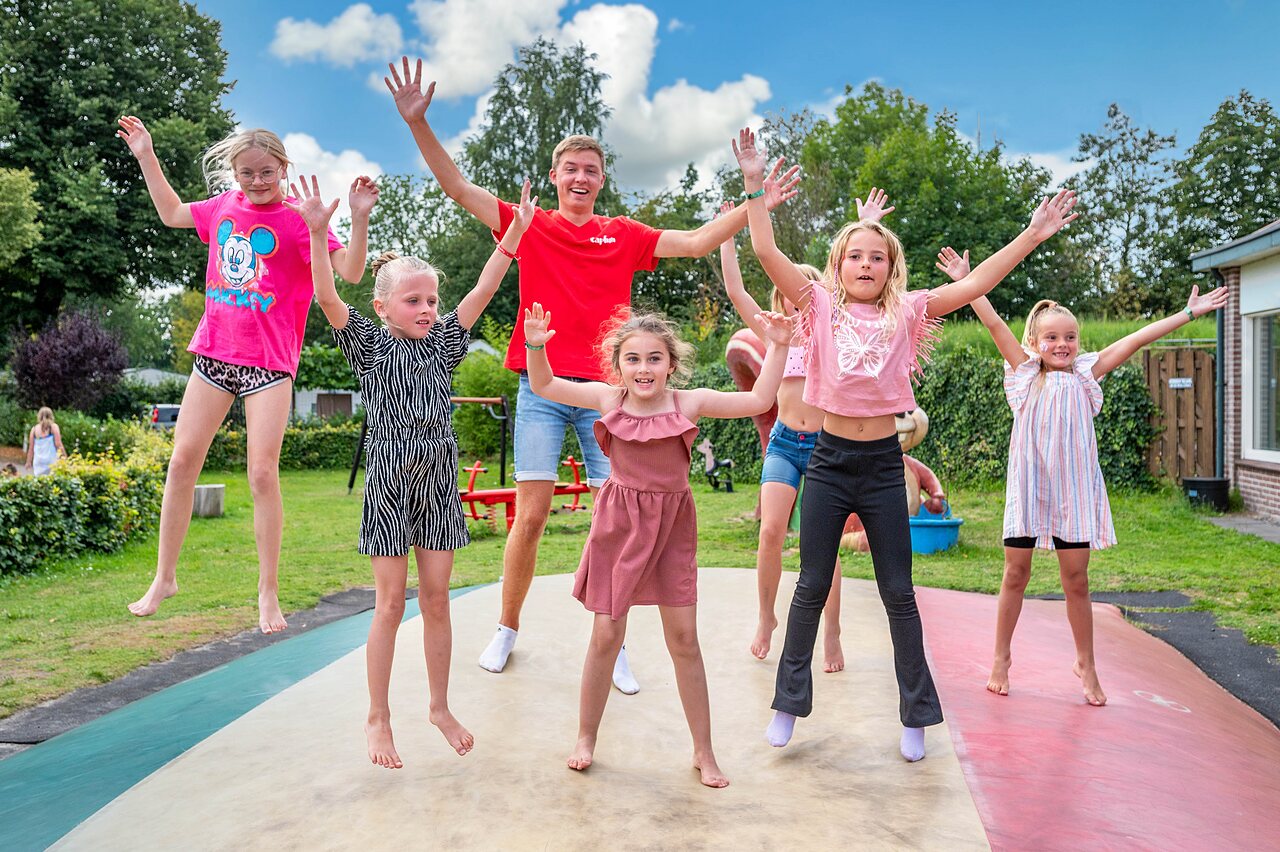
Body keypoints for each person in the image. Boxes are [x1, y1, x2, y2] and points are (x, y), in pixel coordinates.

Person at [384, 57, 800, 691]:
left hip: (613, 399)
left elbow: (693, 241)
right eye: (571, 169)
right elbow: (458, 188)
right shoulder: (531, 226)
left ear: (602, 181)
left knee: (625, 517)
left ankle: (616, 641)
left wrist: (753, 203)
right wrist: (418, 123)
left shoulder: (621, 233)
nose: (581, 177)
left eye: (592, 170)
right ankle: (507, 627)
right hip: (544, 387)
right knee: (532, 514)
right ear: (555, 178)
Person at [733, 126, 1080, 761]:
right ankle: (787, 703)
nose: (866, 265)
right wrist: (755, 183)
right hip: (829, 461)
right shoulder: (817, 305)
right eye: (855, 256)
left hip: (883, 464)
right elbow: (764, 250)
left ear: (891, 268)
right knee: (810, 584)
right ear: (838, 265)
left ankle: (916, 715)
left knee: (898, 589)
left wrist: (1032, 234)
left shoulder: (911, 310)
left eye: (877, 257)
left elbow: (973, 288)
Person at [291, 174, 536, 767]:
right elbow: (327, 299)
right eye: (414, 300)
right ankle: (378, 718)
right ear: (383, 307)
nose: (428, 308)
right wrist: (326, 230)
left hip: (438, 490)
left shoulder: (447, 342)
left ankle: (439, 705)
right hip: (388, 488)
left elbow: (481, 289)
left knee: (438, 600)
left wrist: (513, 238)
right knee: (390, 605)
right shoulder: (371, 346)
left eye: (431, 300)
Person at [936, 247, 1230, 707]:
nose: (1062, 344)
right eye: (1051, 337)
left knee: (1077, 581)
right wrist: (966, 280)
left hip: (1073, 494)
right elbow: (994, 323)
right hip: (1031, 491)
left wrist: (1187, 313)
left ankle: (1086, 663)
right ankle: (1001, 658)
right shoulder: (1022, 372)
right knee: (1016, 574)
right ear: (1034, 342)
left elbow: (1132, 340)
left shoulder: (1086, 373)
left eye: (1070, 336)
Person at [523, 301, 794, 788]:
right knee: (606, 635)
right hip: (617, 528)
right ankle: (586, 737)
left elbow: (757, 401)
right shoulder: (609, 402)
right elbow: (544, 386)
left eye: (654, 358)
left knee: (685, 640)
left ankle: (703, 751)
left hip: (671, 530)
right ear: (618, 366)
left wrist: (777, 346)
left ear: (671, 364)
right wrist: (537, 346)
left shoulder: (686, 403)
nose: (644, 368)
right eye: (633, 359)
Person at [117, 117, 373, 633]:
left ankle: (268, 590)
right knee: (182, 460)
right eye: (246, 173)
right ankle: (165, 577)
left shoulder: (300, 220)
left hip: (269, 365)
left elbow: (351, 274)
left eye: (266, 172)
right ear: (233, 172)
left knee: (261, 473)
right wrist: (146, 153)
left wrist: (354, 220)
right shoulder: (221, 208)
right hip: (214, 355)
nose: (257, 181)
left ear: (283, 168)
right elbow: (170, 213)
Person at [720, 192, 897, 669]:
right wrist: (727, 240)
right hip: (783, 443)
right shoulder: (774, 331)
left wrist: (865, 226)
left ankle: (832, 633)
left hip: (825, 447)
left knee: (820, 548)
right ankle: (765, 618)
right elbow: (738, 292)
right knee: (771, 532)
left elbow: (853, 275)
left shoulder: (833, 330)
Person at [26, 407, 65, 475]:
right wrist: (64, 457)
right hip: (51, 461)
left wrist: (28, 462)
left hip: (38, 461)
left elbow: (31, 448)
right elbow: (58, 444)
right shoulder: (53, 427)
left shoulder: (34, 429)